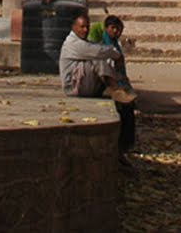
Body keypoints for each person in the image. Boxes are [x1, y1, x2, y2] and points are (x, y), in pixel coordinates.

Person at [59, 11, 137, 155]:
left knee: (127, 107)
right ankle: (113, 88)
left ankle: (126, 145)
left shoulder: (87, 42)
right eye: (82, 27)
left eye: (87, 27)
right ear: (73, 27)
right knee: (98, 57)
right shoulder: (74, 44)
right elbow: (98, 51)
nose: (85, 30)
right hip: (74, 87)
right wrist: (116, 54)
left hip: (85, 83)